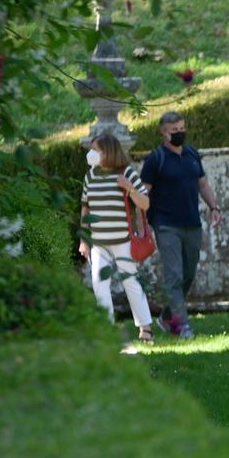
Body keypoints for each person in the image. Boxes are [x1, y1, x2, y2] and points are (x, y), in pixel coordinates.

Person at [141, 111, 223, 339]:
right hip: (166, 224)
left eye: (182, 129)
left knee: (188, 273)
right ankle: (182, 326)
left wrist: (214, 207)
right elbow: (143, 194)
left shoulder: (192, 154)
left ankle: (167, 315)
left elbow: (203, 184)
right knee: (174, 276)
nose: (180, 133)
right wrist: (142, 223)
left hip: (192, 223)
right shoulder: (155, 159)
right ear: (163, 132)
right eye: (174, 131)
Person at [80, 133, 154, 344]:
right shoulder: (90, 176)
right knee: (99, 283)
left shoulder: (126, 172)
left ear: (108, 151)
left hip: (122, 240)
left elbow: (145, 204)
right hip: (98, 242)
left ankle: (145, 328)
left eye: (96, 150)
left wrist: (128, 188)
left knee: (131, 282)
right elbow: (85, 208)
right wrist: (84, 239)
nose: (91, 154)